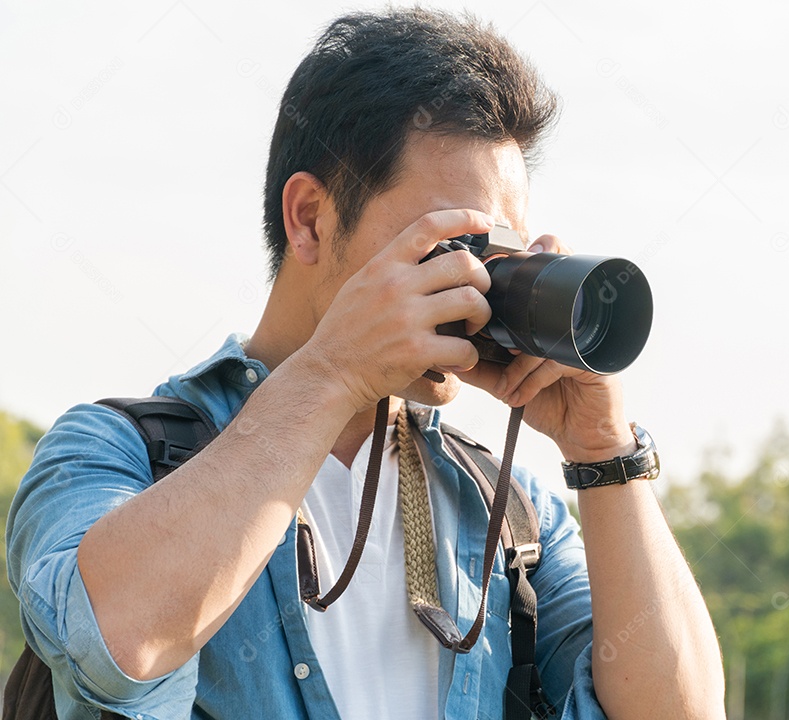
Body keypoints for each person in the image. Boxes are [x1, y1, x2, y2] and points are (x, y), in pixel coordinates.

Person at [6, 8, 725, 719]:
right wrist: (331, 374)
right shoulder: (115, 454)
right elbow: (115, 645)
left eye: (502, 254)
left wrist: (605, 453)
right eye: (455, 247)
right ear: (310, 219)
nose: (478, 287)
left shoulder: (507, 514)